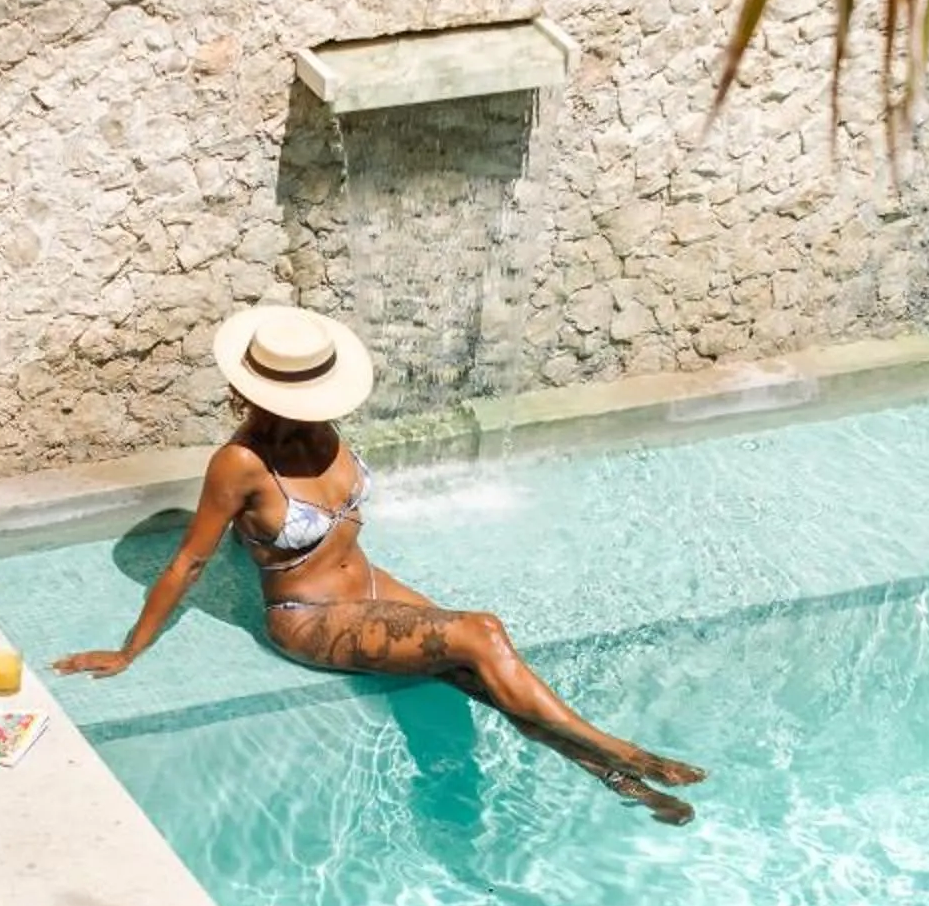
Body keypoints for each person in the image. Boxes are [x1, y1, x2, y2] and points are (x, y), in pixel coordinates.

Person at [53, 304, 704, 824]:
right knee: (483, 633)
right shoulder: (240, 464)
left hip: (368, 587)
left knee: (481, 673)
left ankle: (619, 780)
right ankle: (624, 752)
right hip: (308, 616)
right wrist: (128, 651)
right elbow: (189, 561)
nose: (322, 407)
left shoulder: (323, 432)